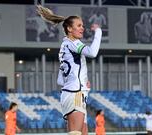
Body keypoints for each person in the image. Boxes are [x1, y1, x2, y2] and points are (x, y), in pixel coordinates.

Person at [36, 5, 102, 135]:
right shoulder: (73, 43)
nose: (82, 28)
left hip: (71, 94)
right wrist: (98, 32)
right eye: (78, 25)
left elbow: (61, 80)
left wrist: (83, 82)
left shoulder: (64, 46)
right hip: (76, 94)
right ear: (69, 29)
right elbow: (93, 53)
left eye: (82, 25)